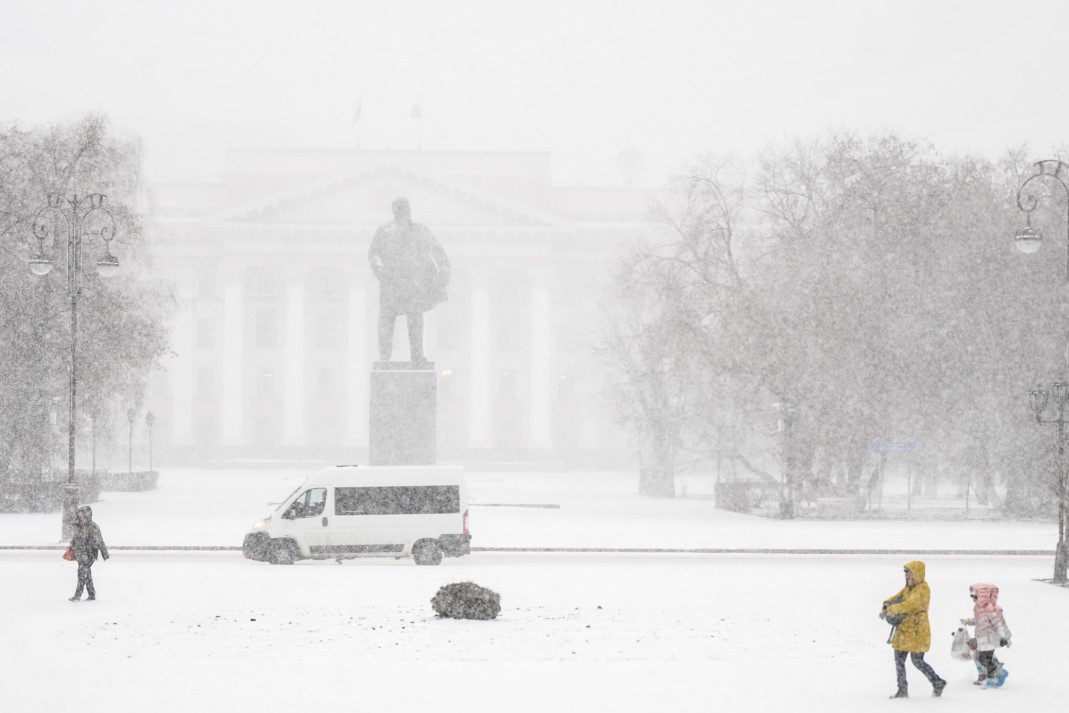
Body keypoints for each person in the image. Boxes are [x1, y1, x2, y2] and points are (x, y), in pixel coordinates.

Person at [368, 197, 450, 364]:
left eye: (404, 208)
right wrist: (381, 272)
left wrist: (444, 269)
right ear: (395, 211)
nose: (403, 212)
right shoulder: (384, 231)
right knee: (387, 319)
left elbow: (437, 250)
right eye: (400, 209)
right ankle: (385, 357)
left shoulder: (419, 231)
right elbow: (373, 254)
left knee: (414, 319)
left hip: (413, 283)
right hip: (392, 282)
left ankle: (417, 356)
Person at [880, 560, 947, 699]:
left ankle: (937, 682)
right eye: (905, 574)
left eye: (909, 573)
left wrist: (890, 610)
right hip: (905, 630)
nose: (906, 576)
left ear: (917, 574)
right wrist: (886, 603)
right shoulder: (908, 588)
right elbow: (897, 597)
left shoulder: (923, 589)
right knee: (899, 660)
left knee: (917, 661)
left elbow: (909, 604)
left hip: (917, 630)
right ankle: (902, 690)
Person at [960, 583, 1011, 688]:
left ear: (982, 596)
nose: (972, 598)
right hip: (981, 638)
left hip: (990, 639)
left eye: (974, 595)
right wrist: (968, 621)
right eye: (972, 595)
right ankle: (997, 673)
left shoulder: (989, 609)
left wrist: (1003, 637)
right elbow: (979, 621)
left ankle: (994, 679)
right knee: (982, 658)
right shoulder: (977, 608)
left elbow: (998, 624)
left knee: (985, 659)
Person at [68, 505, 109, 601]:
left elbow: (99, 540)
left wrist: (104, 553)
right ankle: (91, 594)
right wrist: (73, 544)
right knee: (86, 573)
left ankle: (77, 595)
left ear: (87, 514)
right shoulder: (78, 525)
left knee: (81, 572)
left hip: (89, 553)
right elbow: (75, 537)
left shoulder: (93, 526)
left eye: (81, 513)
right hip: (80, 553)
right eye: (78, 513)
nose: (79, 515)